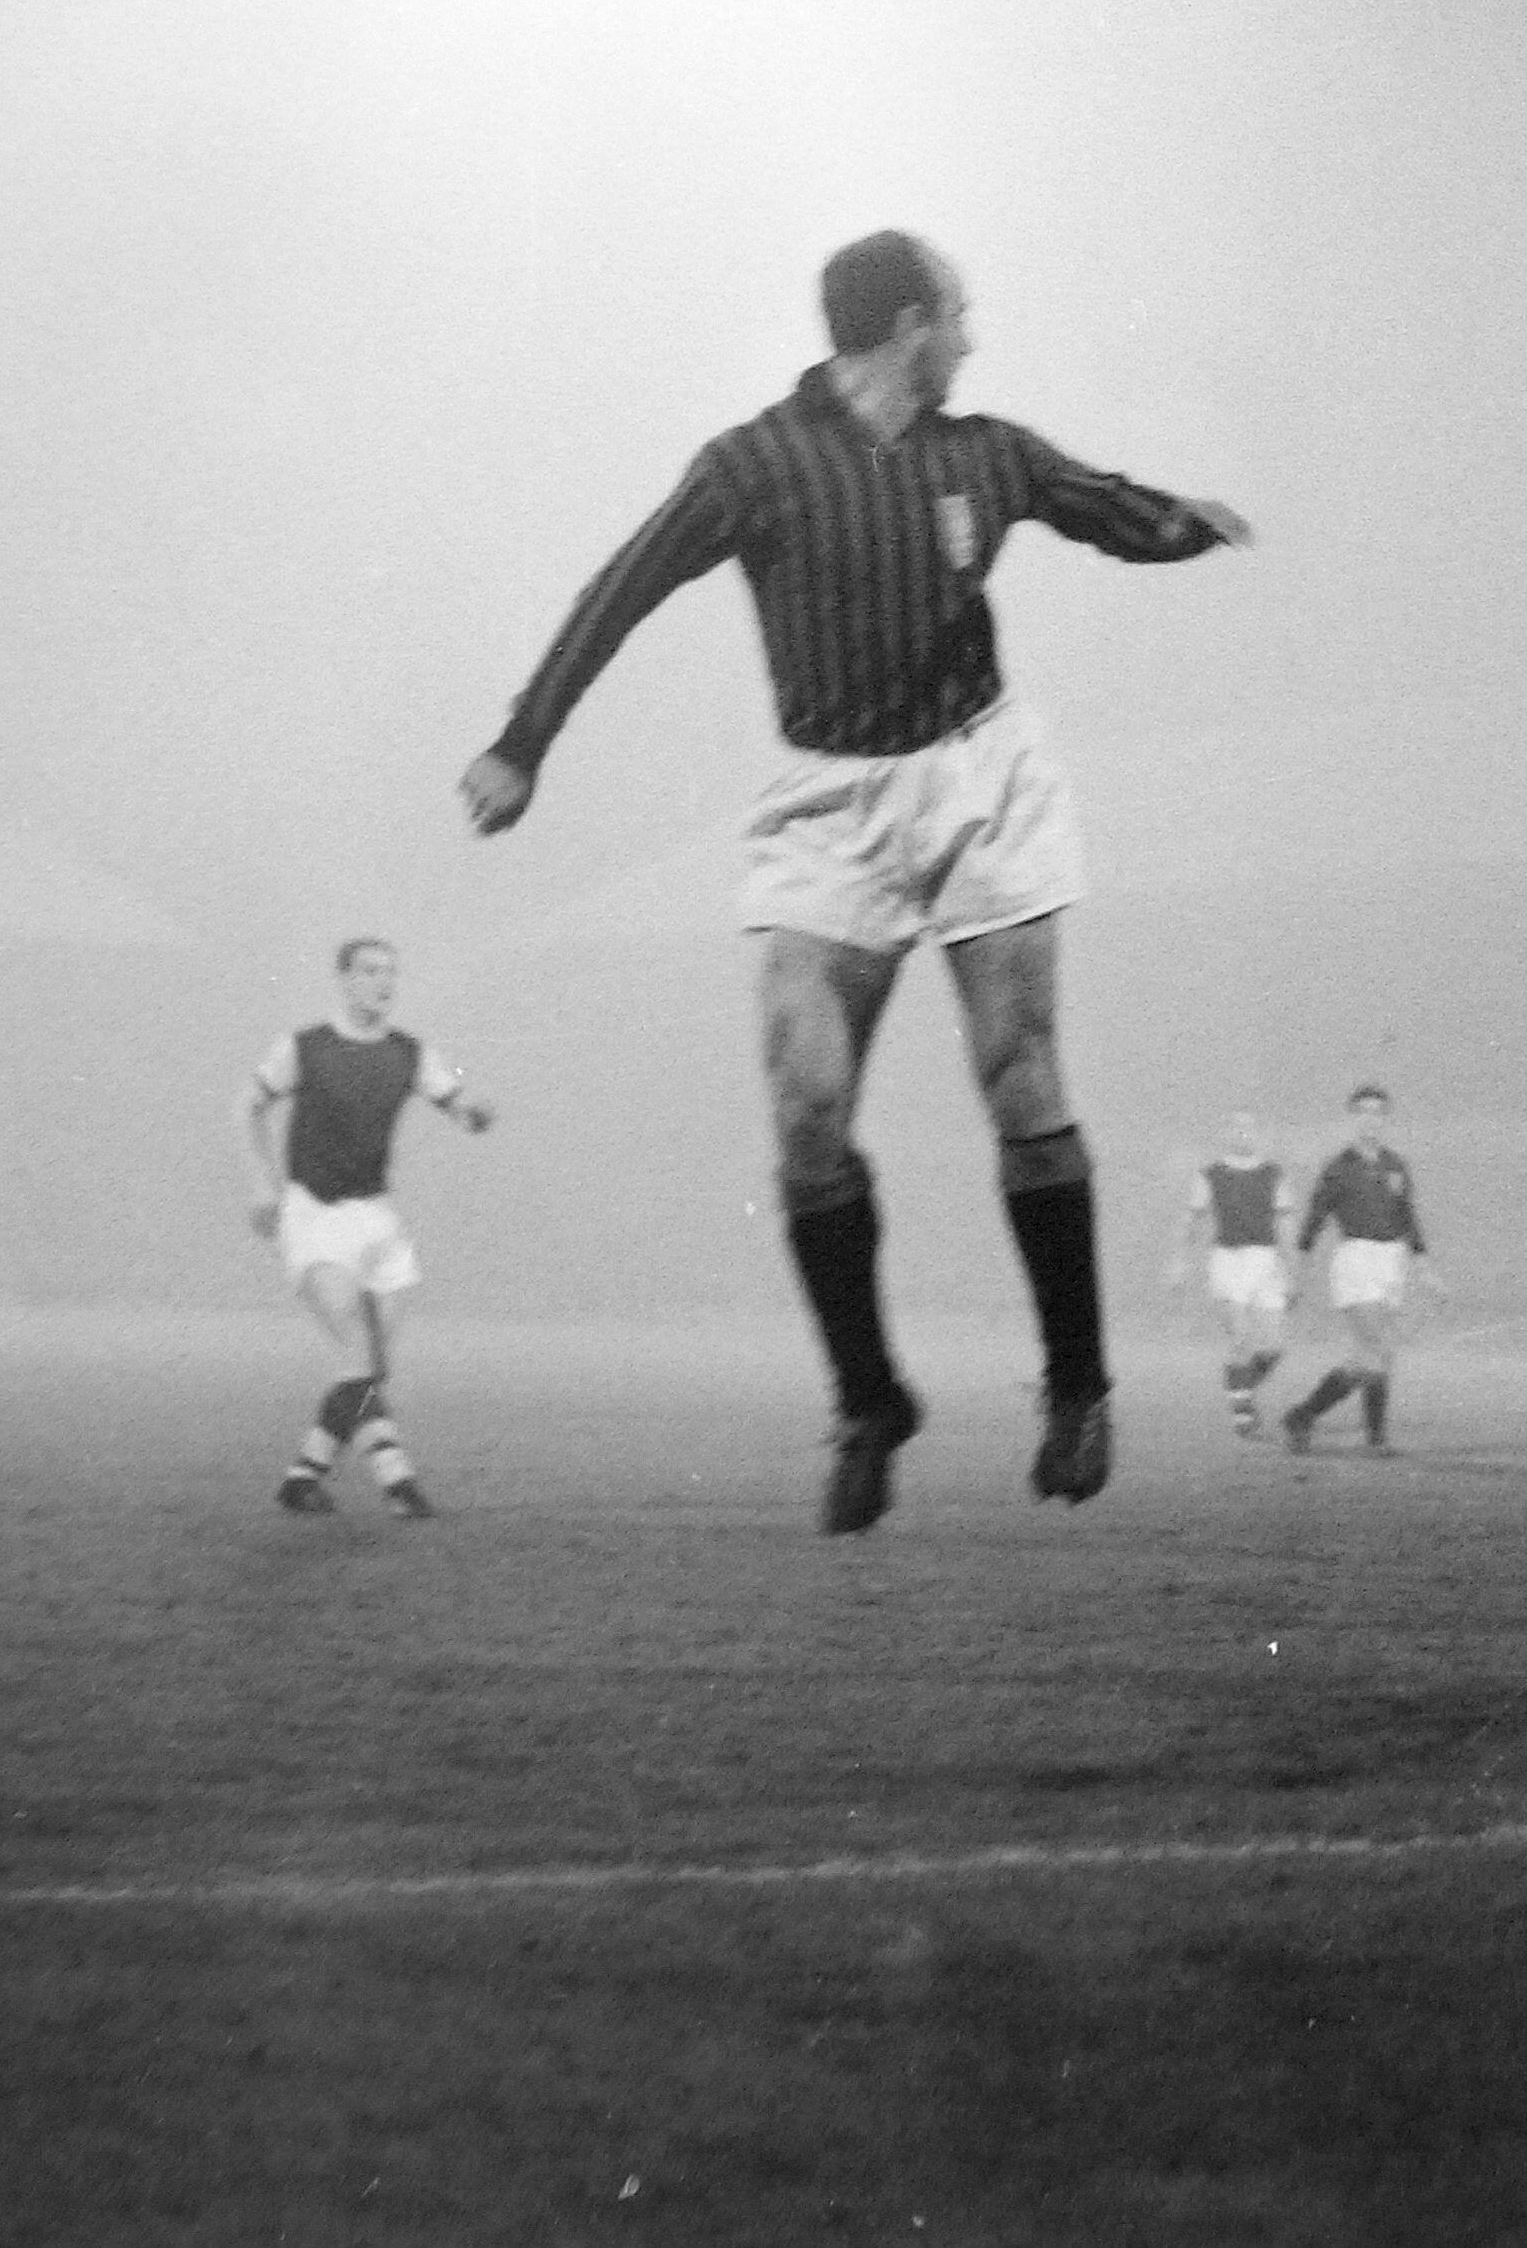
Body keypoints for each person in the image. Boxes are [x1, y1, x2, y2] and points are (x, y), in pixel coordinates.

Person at [457, 228, 1250, 1533]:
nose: (974, 338)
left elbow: (1099, 505)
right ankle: (872, 1399)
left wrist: (1185, 527)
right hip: (831, 799)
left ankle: (1076, 1385)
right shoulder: (753, 465)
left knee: (1019, 1069)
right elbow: (621, 591)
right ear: (904, 327)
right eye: (960, 315)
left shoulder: (981, 453)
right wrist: (521, 742)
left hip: (982, 774)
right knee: (806, 1101)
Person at [238, 937, 492, 1518]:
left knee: (370, 1365)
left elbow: (456, 1103)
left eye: (391, 973)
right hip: (314, 1215)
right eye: (371, 972)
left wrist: (474, 1115)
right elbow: (247, 1106)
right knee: (357, 1346)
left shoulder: (410, 1053)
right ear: (345, 980)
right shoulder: (303, 1048)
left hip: (377, 1220)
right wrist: (261, 1181)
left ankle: (304, 1475)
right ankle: (395, 1474)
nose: (384, 983)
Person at [1283, 1085, 1429, 1453]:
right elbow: (1312, 1225)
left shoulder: (1396, 1166)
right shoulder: (1338, 1168)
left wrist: (1426, 1266)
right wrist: (1296, 1276)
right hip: (1356, 1260)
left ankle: (1303, 1415)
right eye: (1363, 1111)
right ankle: (1375, 1440)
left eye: (1378, 1112)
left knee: (1371, 1357)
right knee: (1377, 1348)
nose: (1370, 1118)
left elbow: (1407, 1217)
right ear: (1352, 1118)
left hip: (1390, 1262)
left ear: (1386, 1119)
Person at [1180, 1112, 1294, 1439]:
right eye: (1237, 1127)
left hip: (1267, 1260)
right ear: (1226, 1133)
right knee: (1240, 1336)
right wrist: (1181, 1260)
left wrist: (1293, 1269)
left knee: (1274, 1346)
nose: (1244, 1133)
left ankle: (1240, 1386)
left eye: (1250, 1127)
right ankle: (1242, 1409)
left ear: (1259, 1134)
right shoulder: (1211, 1175)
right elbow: (1193, 1220)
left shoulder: (1274, 1174)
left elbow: (1285, 1223)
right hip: (1228, 1259)